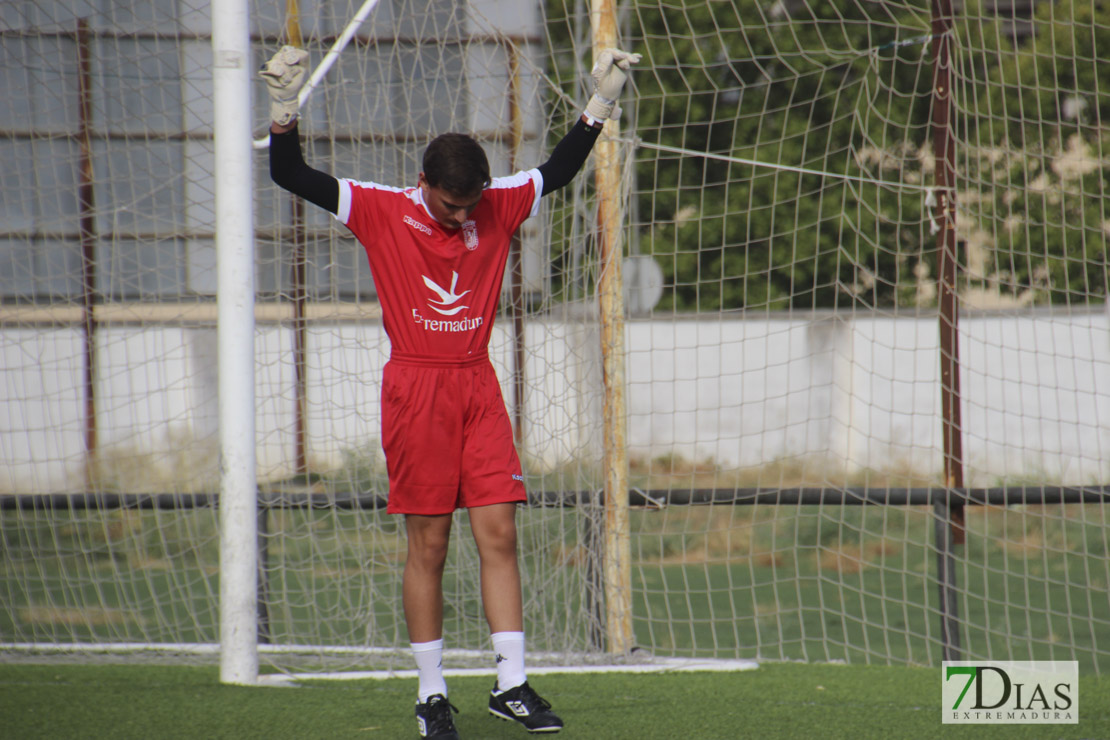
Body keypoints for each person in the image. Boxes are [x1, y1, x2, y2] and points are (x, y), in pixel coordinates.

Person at [261, 44, 640, 739]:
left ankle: (512, 684)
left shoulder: (495, 205)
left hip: (476, 384)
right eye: (448, 205)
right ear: (422, 183)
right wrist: (284, 109)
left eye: (470, 206)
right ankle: (431, 695)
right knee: (428, 546)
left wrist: (600, 103)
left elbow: (558, 170)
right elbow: (289, 172)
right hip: (416, 388)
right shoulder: (378, 210)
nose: (461, 218)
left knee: (499, 531)